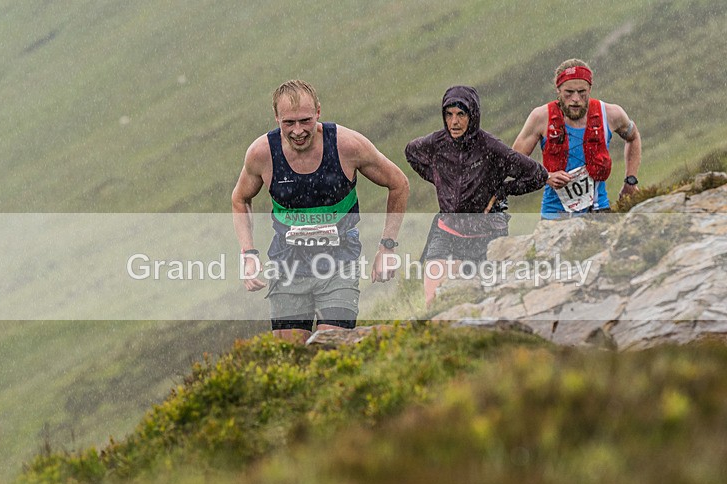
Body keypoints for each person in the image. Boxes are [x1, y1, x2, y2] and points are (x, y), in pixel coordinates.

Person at [232, 79, 409, 342]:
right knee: (290, 355)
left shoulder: (347, 146)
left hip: (340, 261)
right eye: (288, 123)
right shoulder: (262, 154)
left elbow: (399, 183)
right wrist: (248, 254)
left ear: (318, 111)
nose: (298, 131)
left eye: (305, 120)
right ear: (276, 118)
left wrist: (387, 247)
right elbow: (240, 199)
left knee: (332, 346)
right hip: (287, 263)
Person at [405, 85, 548, 307]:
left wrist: (503, 190)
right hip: (447, 230)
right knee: (433, 300)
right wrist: (440, 180)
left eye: (461, 114)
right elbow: (411, 152)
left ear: (473, 115)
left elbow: (538, 175)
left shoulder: (491, 147)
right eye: (449, 114)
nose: (454, 122)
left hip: (486, 234)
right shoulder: (437, 142)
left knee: (483, 301)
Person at [513, 59, 642, 218]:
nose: (576, 98)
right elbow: (515, 161)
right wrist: (546, 176)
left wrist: (630, 181)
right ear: (558, 90)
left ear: (590, 89)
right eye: (569, 92)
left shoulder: (610, 114)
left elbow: (633, 137)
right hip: (554, 215)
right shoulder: (541, 117)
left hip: (598, 210)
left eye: (582, 92)